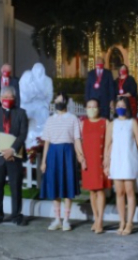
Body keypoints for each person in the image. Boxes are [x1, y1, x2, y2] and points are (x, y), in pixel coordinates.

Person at [40, 92, 85, 232]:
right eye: (56, 100)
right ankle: (57, 219)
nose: (57, 102)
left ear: (65, 102)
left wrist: (80, 155)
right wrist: (43, 161)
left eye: (60, 100)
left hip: (67, 152)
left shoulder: (73, 119)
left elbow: (77, 138)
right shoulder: (50, 120)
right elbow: (46, 141)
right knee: (54, 186)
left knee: (67, 185)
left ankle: (66, 220)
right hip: (53, 153)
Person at [0, 87, 29, 225]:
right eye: (5, 97)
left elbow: (22, 134)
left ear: (15, 99)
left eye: (10, 97)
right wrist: (3, 151)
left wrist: (12, 150)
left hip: (14, 156)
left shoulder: (21, 113)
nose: (7, 99)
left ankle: (16, 215)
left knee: (16, 187)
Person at [105, 96, 138, 236]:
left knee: (129, 191)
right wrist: (106, 161)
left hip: (128, 160)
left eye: (123, 105)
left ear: (127, 108)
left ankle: (129, 223)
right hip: (116, 160)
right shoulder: (111, 124)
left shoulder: (132, 122)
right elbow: (107, 144)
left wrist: (130, 145)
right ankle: (121, 221)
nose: (120, 108)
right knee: (119, 192)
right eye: (118, 105)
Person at [81, 99, 111, 234]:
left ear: (99, 108)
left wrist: (107, 158)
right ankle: (96, 217)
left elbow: (109, 142)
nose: (92, 109)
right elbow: (78, 142)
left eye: (94, 107)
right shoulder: (82, 124)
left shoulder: (105, 123)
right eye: (89, 107)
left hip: (100, 160)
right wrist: (81, 158)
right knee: (92, 191)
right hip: (88, 161)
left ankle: (100, 220)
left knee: (100, 190)